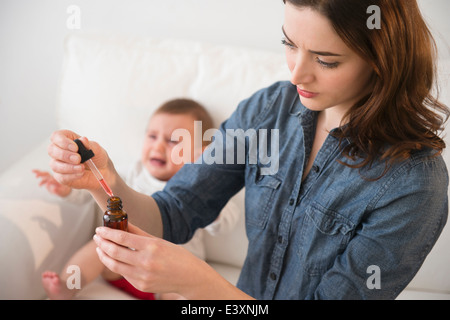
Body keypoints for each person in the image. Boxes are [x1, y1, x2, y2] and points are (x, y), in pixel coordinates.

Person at [47, 0, 450, 299]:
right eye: (289, 44)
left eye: (325, 60)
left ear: (382, 59)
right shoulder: (268, 110)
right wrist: (105, 182)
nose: (295, 73)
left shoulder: (414, 184)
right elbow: (173, 213)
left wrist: (199, 284)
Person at [36, 98, 240, 300]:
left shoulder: (200, 188)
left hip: (168, 277)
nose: (158, 147)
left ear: (201, 154)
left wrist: (208, 205)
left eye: (172, 141)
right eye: (152, 136)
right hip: (120, 265)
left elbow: (228, 219)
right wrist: (67, 189)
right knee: (97, 248)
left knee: (181, 293)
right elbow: (93, 188)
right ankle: (66, 286)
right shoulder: (131, 173)